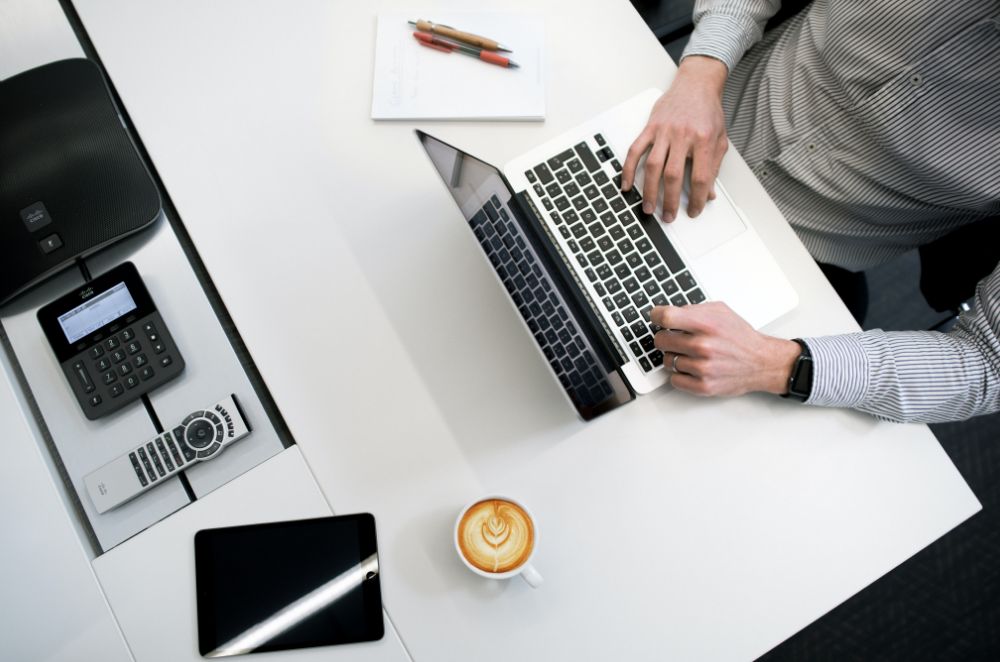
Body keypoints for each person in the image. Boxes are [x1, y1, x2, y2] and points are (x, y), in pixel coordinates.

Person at [619, 0, 1000, 423]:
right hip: (684, 109)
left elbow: (987, 362)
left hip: (796, 261)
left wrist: (777, 365)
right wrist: (701, 73)